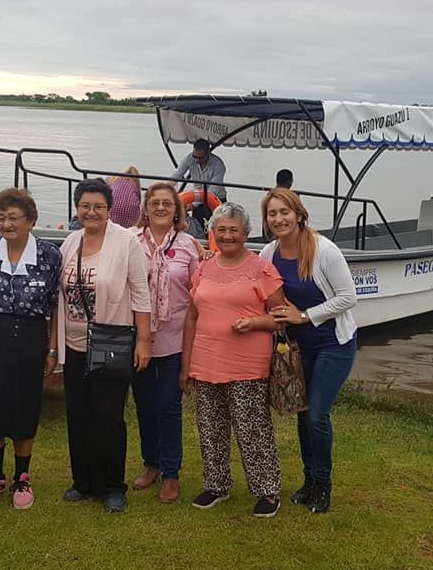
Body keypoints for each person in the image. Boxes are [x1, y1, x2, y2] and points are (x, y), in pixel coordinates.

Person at [0, 188, 62, 510]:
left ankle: (22, 478)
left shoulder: (48, 255)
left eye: (13, 218)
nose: (6, 224)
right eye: (1, 218)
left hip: (31, 336)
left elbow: (55, 305)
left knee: (24, 405)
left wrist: (52, 350)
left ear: (30, 220)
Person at [181, 202, 285, 518]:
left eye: (234, 230)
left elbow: (281, 317)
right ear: (213, 232)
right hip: (205, 361)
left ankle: (268, 490)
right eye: (222, 230)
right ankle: (217, 485)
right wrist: (186, 365)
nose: (227, 236)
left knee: (252, 429)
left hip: (246, 365)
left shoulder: (261, 269)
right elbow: (192, 317)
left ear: (246, 233)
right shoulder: (204, 268)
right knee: (210, 427)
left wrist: (254, 323)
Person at [260, 187, 358, 513]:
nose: (279, 219)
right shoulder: (269, 253)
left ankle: (323, 484)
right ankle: (309, 481)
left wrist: (303, 316)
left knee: (317, 414)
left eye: (284, 212)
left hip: (333, 344)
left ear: (299, 214)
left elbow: (348, 297)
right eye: (272, 214)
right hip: (298, 348)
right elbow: (253, 281)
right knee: (303, 415)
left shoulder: (324, 250)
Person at [58, 178, 152, 513]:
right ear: (77, 208)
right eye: (85, 206)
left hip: (111, 343)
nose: (92, 212)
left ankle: (113, 486)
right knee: (78, 415)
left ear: (109, 209)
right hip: (74, 345)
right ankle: (83, 481)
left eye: (99, 206)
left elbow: (141, 294)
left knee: (109, 417)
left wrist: (144, 341)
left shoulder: (126, 242)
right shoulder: (70, 242)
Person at [130, 183, 201, 503]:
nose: (160, 207)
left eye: (167, 203)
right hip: (138, 337)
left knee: (170, 405)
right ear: (145, 209)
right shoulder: (130, 240)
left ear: (176, 211)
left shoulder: (188, 246)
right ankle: (152, 463)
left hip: (175, 338)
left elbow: (198, 293)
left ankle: (171, 473)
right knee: (144, 405)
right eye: (154, 202)